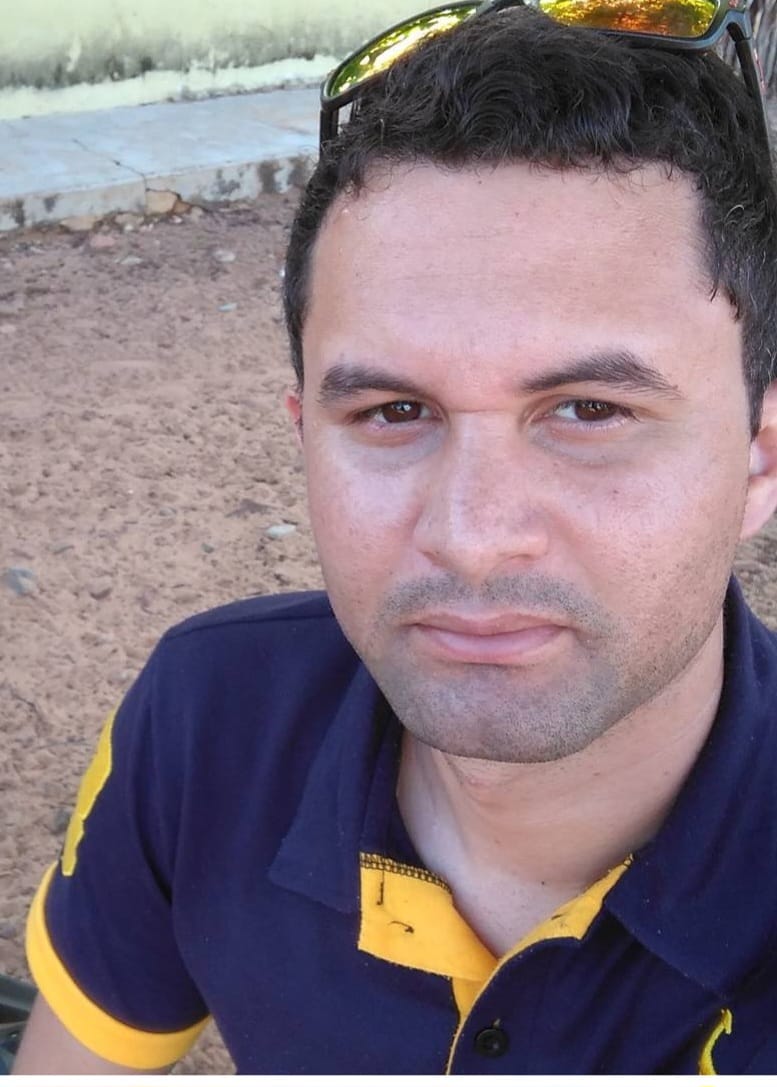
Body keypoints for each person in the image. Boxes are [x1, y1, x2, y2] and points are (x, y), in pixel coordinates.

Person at [12, 0, 777, 1074]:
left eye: (590, 411)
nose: (472, 538)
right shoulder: (211, 722)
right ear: (306, 437)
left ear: (758, 459)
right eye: (393, 412)